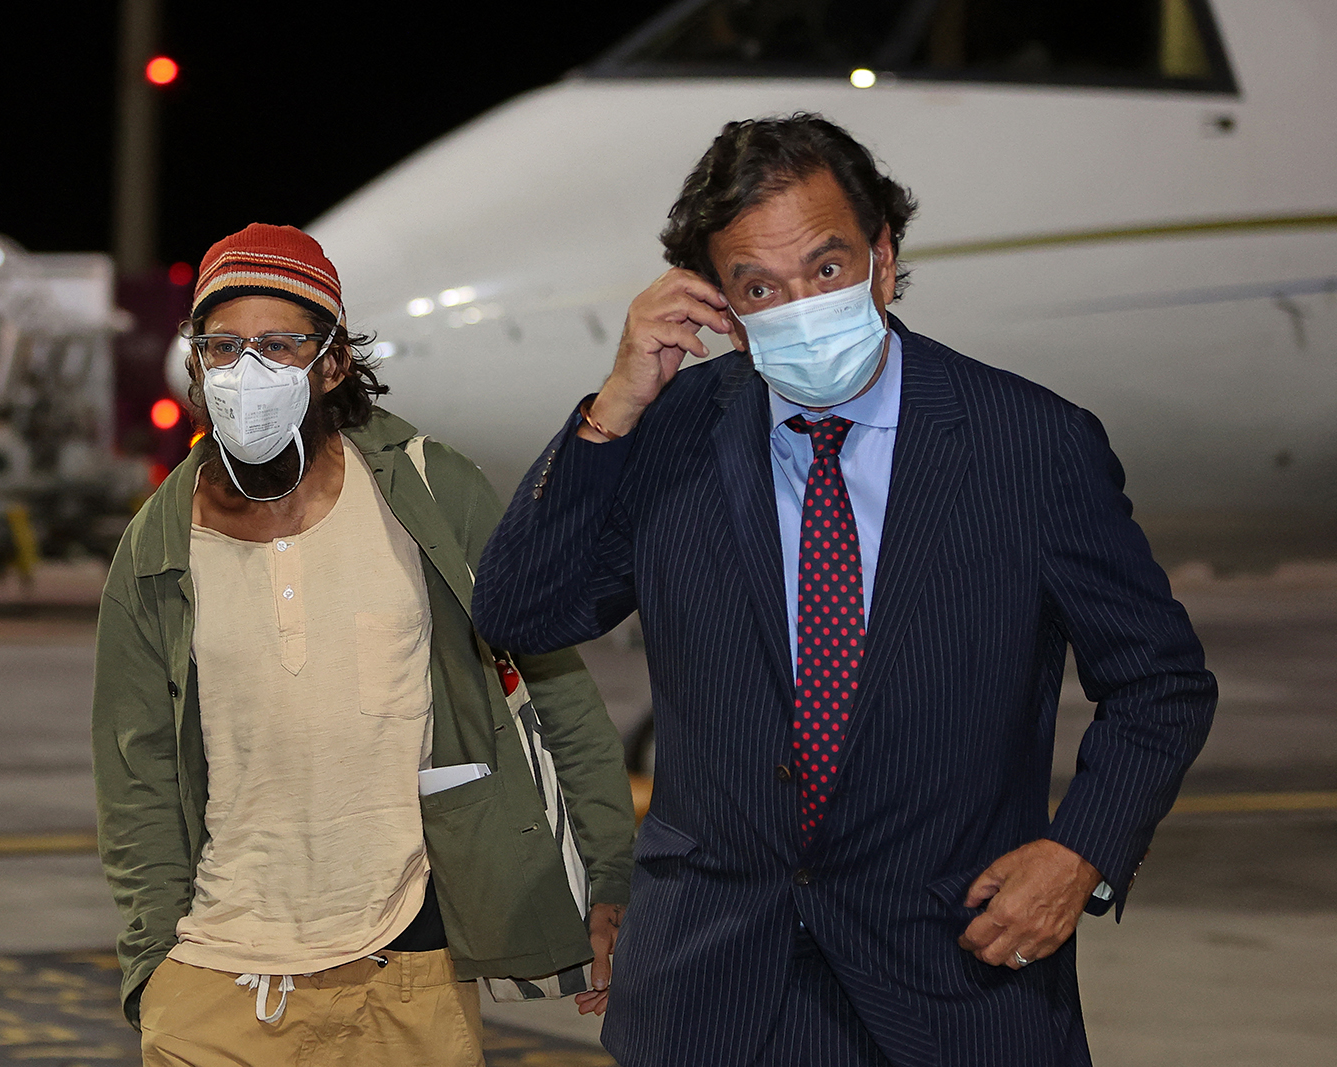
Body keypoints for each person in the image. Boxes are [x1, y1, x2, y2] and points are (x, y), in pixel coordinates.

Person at [470, 114, 1217, 1067]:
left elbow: (1161, 682)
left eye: (826, 268)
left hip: (953, 984)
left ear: (885, 257)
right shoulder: (673, 432)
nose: (801, 302)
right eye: (760, 287)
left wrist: (1084, 853)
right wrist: (614, 405)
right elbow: (521, 613)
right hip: (712, 993)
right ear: (722, 308)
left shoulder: (1029, 444)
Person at [92, 223, 635, 1067]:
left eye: (279, 346)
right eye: (224, 347)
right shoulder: (155, 550)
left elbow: (555, 688)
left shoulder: (429, 490)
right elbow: (136, 773)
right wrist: (153, 969)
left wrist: (612, 880)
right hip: (214, 976)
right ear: (196, 363)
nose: (249, 372)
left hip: (409, 971)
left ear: (333, 362)